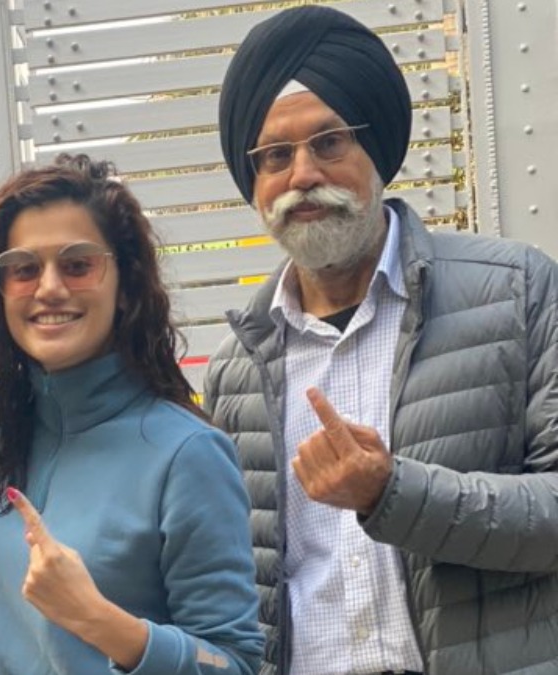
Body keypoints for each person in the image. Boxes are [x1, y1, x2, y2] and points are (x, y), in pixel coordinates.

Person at [204, 5, 558, 674]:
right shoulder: (235, 374)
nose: (302, 173)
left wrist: (393, 492)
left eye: (329, 142)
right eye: (275, 156)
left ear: (379, 151)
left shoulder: (516, 291)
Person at [0, 153, 263, 675]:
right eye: (24, 269)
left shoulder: (188, 453)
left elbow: (233, 662)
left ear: (125, 285)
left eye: (78, 265)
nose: (49, 288)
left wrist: (99, 620)